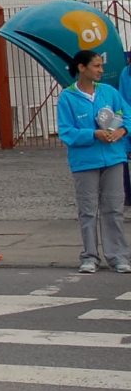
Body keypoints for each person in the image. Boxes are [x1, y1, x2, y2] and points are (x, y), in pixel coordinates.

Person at [57, 48, 131, 274]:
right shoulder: (67, 97)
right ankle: (89, 256)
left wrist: (122, 130)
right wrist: (93, 134)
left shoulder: (108, 92)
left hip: (114, 158)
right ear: (82, 68)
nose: (101, 70)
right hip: (85, 162)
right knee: (88, 210)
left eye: (101, 66)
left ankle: (118, 256)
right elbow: (66, 131)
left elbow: (126, 114)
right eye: (97, 66)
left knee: (114, 209)